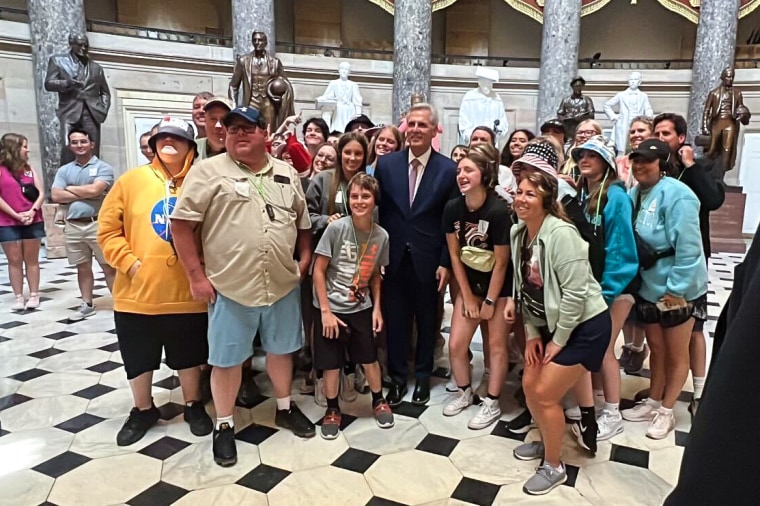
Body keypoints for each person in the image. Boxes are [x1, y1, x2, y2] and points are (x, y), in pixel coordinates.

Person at [171, 106, 315, 467]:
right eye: (232, 128)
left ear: (264, 132)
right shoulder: (208, 172)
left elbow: (303, 223)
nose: (237, 134)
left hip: (281, 283)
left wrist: (305, 259)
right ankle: (224, 424)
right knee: (226, 359)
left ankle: (284, 406)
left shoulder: (285, 173)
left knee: (283, 350)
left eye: (247, 128)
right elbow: (181, 226)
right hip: (230, 286)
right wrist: (196, 277)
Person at [97, 117, 213, 446]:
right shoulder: (131, 181)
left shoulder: (201, 181)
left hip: (187, 293)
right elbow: (107, 230)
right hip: (138, 294)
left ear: (191, 146)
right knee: (138, 356)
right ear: (152, 143)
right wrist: (131, 264)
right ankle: (143, 408)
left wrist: (203, 266)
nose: (169, 142)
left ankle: (193, 405)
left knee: (189, 354)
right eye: (163, 137)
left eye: (177, 137)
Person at [509, 169, 611, 496]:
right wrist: (533, 334)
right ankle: (548, 441)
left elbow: (576, 295)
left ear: (547, 201)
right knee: (529, 383)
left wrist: (558, 340)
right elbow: (525, 289)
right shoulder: (519, 234)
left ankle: (555, 466)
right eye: (519, 192)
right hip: (551, 325)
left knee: (545, 393)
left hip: (585, 326)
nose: (521, 199)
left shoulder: (562, 234)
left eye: (530, 194)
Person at [621, 139, 708, 440]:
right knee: (656, 348)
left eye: (647, 160)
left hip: (676, 287)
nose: (640, 166)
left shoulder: (679, 195)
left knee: (676, 351)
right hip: (648, 284)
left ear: (662, 163)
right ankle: (654, 400)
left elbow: (689, 248)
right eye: (636, 160)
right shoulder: (635, 193)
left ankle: (667, 410)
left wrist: (677, 289)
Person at [374, 103, 457, 406]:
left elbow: (451, 223)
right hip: (393, 258)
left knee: (427, 320)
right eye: (413, 124)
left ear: (435, 130)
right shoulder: (387, 165)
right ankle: (397, 379)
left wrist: (446, 263)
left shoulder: (448, 169)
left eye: (424, 125)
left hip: (430, 260)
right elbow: (379, 214)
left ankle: (422, 376)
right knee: (396, 321)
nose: (417, 130)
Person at [312, 173, 394, 439]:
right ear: (348, 199)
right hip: (332, 309)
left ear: (374, 201)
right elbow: (318, 270)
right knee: (331, 363)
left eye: (366, 196)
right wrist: (325, 311)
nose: (360, 201)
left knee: (369, 358)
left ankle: (378, 399)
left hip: (361, 308)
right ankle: (333, 409)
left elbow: (376, 278)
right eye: (355, 196)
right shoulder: (336, 229)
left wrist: (378, 309)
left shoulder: (381, 236)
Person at [652, 113, 723, 415]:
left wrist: (692, 166)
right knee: (663, 327)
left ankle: (699, 390)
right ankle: (663, 388)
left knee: (693, 327)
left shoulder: (700, 166)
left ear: (681, 138)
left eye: (666, 133)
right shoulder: (655, 168)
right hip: (658, 265)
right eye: (657, 133)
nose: (660, 137)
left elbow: (713, 199)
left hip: (690, 261)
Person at [442, 144, 514, 430]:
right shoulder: (452, 208)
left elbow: (501, 262)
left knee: (495, 346)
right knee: (457, 343)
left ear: (484, 174)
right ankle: (464, 392)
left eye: (468, 170)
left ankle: (492, 402)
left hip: (498, 287)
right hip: (470, 285)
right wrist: (467, 296)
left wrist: (489, 301)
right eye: (459, 170)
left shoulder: (497, 211)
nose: (461, 174)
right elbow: (455, 256)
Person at [571, 136, 638, 440]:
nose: (584, 159)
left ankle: (612, 412)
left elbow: (621, 249)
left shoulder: (615, 197)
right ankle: (596, 399)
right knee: (594, 347)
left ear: (606, 162)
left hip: (616, 286)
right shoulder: (587, 194)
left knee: (605, 348)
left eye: (592, 156)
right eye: (581, 155)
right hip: (594, 285)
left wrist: (606, 291)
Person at [51, 128, 116, 321]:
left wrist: (69, 189)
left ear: (91, 144)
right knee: (82, 267)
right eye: (74, 142)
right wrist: (86, 191)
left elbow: (97, 189)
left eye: (83, 141)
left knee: (109, 266)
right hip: (73, 225)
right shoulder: (64, 170)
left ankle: (121, 304)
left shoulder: (103, 167)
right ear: (70, 145)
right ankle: (87, 303)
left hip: (97, 223)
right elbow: (55, 195)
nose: (79, 145)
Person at [44, 33, 111, 163]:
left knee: (92, 147)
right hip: (69, 111)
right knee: (68, 147)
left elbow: (105, 93)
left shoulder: (96, 68)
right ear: (71, 44)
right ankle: (68, 178)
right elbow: (48, 83)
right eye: (80, 45)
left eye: (86, 45)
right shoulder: (58, 61)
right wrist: (66, 83)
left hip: (91, 112)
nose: (83, 48)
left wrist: (103, 108)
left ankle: (92, 177)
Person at [0, 133, 45, 311]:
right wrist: (17, 215)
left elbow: (41, 193)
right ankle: (19, 296)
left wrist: (32, 211)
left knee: (31, 258)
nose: (27, 150)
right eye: (24, 146)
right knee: (14, 259)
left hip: (32, 218)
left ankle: (34, 294)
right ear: (13, 148)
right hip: (7, 220)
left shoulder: (28, 168)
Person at [229, 31, 294, 132]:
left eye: (260, 40)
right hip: (251, 101)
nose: (257, 42)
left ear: (266, 43)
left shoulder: (275, 62)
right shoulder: (243, 61)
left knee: (269, 131)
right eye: (254, 40)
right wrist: (233, 105)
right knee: (250, 130)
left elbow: (285, 83)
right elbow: (233, 86)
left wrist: (279, 95)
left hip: (268, 102)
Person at [603, 71, 654, 153]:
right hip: (624, 124)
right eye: (631, 79)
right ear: (628, 81)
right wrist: (614, 116)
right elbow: (607, 105)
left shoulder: (643, 96)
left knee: (638, 145)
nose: (633, 81)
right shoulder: (621, 95)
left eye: (635, 79)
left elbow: (648, 108)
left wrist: (649, 119)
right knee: (622, 148)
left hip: (638, 124)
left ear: (639, 82)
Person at [316, 62, 364, 133]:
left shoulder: (353, 85)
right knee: (337, 128)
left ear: (349, 72)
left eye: (346, 69)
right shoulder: (333, 83)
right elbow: (328, 95)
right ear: (339, 70)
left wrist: (358, 115)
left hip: (349, 110)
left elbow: (357, 100)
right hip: (338, 109)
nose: (344, 71)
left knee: (349, 128)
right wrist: (321, 98)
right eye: (342, 69)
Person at [469, 126, 517, 195]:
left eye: (483, 139)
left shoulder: (505, 172)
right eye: (474, 139)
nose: (478, 142)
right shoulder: (461, 169)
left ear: (493, 145)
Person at [615, 115, 653, 190]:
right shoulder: (618, 163)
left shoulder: (659, 162)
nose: (635, 135)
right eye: (632, 132)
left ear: (653, 134)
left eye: (641, 131)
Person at [560, 119, 602, 185]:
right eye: (579, 132)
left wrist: (575, 186)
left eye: (588, 132)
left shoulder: (602, 163)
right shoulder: (566, 163)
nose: (582, 135)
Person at [556, 77, 595, 142]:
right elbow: (560, 114)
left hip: (583, 128)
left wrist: (581, 117)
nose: (578, 88)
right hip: (569, 129)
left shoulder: (587, 100)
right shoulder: (566, 100)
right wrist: (567, 118)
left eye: (580, 86)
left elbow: (591, 114)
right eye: (576, 86)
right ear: (572, 87)